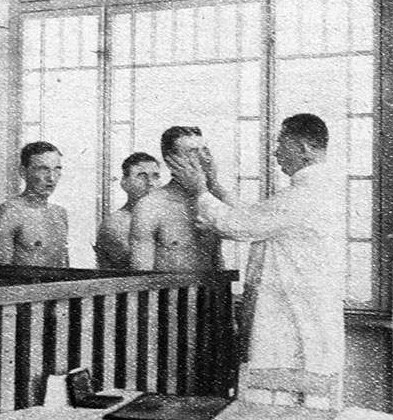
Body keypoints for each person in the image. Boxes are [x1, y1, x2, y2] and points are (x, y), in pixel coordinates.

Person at [168, 113, 345, 388]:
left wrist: (200, 191)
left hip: (294, 317)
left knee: (285, 393)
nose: (275, 152)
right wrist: (213, 186)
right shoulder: (315, 189)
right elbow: (255, 218)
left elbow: (241, 225)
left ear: (303, 149)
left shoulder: (304, 194)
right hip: (304, 313)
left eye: (281, 143)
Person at [129, 126, 225, 274]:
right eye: (193, 152)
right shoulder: (150, 207)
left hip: (210, 289)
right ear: (170, 161)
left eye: (205, 150)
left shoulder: (212, 202)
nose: (205, 159)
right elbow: (141, 275)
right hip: (167, 289)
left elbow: (219, 266)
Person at [0, 141, 68, 267]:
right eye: (43, 170)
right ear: (23, 172)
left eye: (56, 169)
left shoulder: (59, 214)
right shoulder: (8, 213)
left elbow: (64, 267)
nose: (51, 178)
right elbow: (0, 272)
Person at [95, 151, 161, 271]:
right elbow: (142, 269)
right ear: (125, 183)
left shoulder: (161, 218)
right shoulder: (116, 224)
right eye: (142, 176)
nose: (150, 183)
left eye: (155, 176)